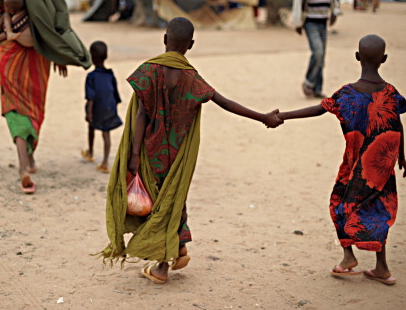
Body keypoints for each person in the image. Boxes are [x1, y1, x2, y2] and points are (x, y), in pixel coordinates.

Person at [98, 17, 283, 284]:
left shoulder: (148, 71)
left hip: (150, 153)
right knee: (171, 200)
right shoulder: (191, 77)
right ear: (191, 45)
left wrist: (135, 154)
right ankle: (180, 244)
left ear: (164, 39)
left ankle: (161, 266)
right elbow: (225, 102)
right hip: (177, 155)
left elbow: (140, 115)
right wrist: (263, 117)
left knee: (158, 206)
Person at [277, 35, 406, 285]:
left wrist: (282, 115)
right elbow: (397, 124)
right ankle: (382, 267)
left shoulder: (347, 94)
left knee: (339, 204)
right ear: (384, 59)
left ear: (357, 57)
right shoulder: (391, 93)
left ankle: (348, 256)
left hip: (354, 169)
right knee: (380, 211)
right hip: (382, 170)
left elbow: (318, 109)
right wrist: (401, 156)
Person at [0, 0, 91, 193]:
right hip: (38, 60)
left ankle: (25, 163)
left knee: (16, 108)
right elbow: (56, 28)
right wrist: (59, 54)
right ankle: (26, 163)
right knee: (34, 109)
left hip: (10, 57)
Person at [292, 0, 340, 99]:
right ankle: (308, 83)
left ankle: (317, 89)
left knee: (322, 57)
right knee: (317, 52)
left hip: (322, 22)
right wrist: (298, 23)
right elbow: (298, 1)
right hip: (310, 22)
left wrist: (334, 13)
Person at [81, 41, 123, 173]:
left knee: (91, 127)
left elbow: (90, 97)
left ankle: (90, 152)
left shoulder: (91, 76)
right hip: (108, 108)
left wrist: (89, 113)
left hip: (95, 108)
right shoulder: (110, 75)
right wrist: (113, 109)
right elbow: (115, 93)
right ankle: (105, 162)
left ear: (92, 57)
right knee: (106, 133)